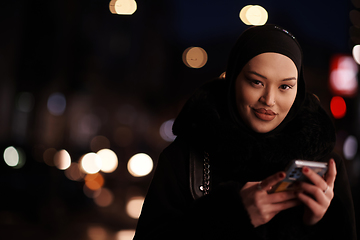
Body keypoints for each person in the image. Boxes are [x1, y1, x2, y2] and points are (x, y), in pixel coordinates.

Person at [133, 24, 357, 239]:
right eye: (256, 82)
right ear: (233, 80)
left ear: (298, 91)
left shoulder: (323, 167)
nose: (269, 100)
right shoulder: (186, 159)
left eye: (285, 86)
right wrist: (230, 217)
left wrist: (316, 223)